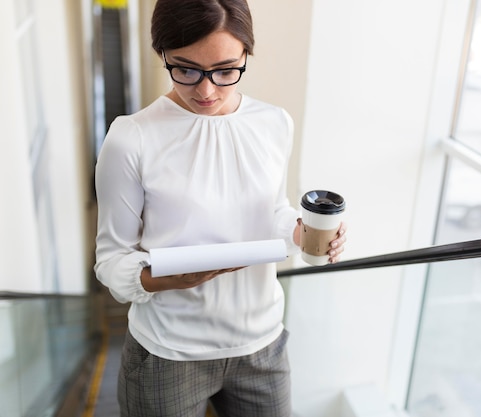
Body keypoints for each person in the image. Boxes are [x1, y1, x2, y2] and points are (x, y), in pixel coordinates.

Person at [93, 0, 347, 416]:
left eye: (226, 70)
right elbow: (111, 263)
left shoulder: (274, 123)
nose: (206, 90)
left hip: (261, 346)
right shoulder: (131, 138)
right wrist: (170, 278)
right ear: (163, 54)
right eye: (186, 69)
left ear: (247, 53)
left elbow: (272, 212)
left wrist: (303, 232)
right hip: (167, 354)